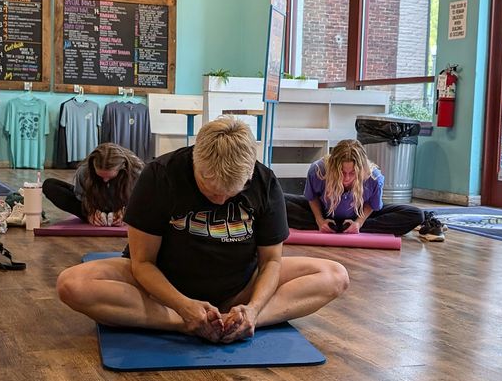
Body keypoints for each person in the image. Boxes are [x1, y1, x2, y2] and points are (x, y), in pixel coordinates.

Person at [57, 117, 348, 343]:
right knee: (72, 284)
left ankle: (244, 321)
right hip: (164, 290)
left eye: (230, 193)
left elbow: (271, 261)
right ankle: (183, 323)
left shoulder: (264, 181)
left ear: (248, 175)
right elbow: (142, 263)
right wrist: (183, 308)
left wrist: (254, 308)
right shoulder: (159, 176)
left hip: (241, 287)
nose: (220, 200)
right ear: (197, 161)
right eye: (211, 189)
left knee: (335, 275)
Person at [284, 139, 445, 240]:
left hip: (359, 215)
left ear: (361, 169)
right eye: (342, 173)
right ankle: (333, 226)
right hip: (324, 212)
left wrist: (358, 223)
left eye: (352, 173)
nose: (347, 178)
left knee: (416, 214)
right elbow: (311, 198)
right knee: (278, 200)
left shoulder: (374, 177)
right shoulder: (318, 170)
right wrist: (319, 220)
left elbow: (372, 206)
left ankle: (346, 228)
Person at [43, 143, 143, 226]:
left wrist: (127, 214)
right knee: (50, 185)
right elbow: (81, 197)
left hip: (123, 205)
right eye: (101, 176)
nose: (105, 180)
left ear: (122, 168)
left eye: (110, 177)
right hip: (94, 204)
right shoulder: (84, 171)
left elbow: (141, 201)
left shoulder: (136, 172)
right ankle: (94, 217)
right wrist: (89, 212)